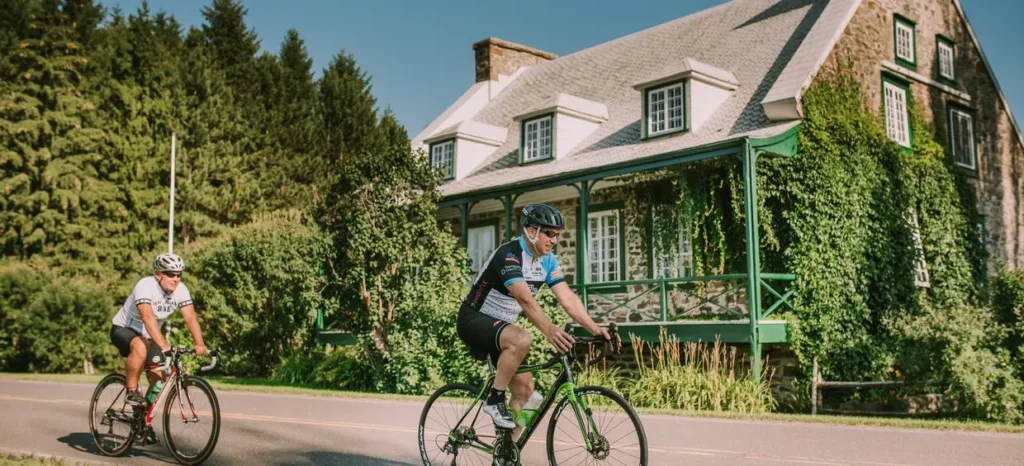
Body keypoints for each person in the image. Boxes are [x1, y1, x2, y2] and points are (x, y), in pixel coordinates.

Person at [457, 204, 617, 428]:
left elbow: (567, 299)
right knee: (521, 338)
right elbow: (525, 299)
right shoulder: (509, 255)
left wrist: (595, 328)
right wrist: (550, 331)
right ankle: (494, 399)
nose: (554, 240)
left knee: (525, 393)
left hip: (501, 329)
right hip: (473, 318)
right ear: (531, 231)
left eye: (557, 235)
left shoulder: (548, 261)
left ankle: (505, 454)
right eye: (549, 233)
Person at [110, 252, 208, 408]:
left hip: (150, 335)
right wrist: (164, 345)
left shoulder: (181, 290)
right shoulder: (145, 285)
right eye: (171, 274)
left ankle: (141, 422)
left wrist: (200, 344)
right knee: (141, 346)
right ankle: (131, 391)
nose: (176, 279)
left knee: (158, 381)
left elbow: (190, 317)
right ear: (158, 274)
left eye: (179, 274)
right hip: (124, 329)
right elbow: (147, 317)